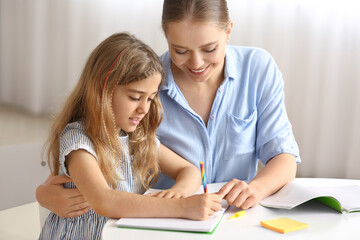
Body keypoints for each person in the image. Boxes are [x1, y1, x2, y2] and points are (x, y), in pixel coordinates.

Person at [36, 0, 300, 218]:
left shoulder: (258, 69)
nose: (196, 63)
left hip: (231, 218)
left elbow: (283, 156)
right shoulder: (147, 82)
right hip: (162, 220)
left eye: (209, 48)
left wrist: (255, 189)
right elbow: (87, 155)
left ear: (228, 30)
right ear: (166, 37)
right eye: (180, 50)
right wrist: (43, 194)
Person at [38, 32, 222, 239]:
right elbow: (104, 200)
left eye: (151, 99)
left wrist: (177, 193)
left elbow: (188, 170)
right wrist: (179, 207)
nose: (144, 109)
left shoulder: (139, 138)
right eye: (135, 97)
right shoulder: (78, 140)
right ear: (103, 90)